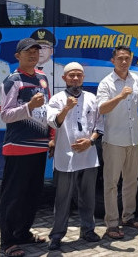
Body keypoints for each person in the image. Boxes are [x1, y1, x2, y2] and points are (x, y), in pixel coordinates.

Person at [0, 38, 51, 257]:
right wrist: (29, 106)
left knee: (32, 195)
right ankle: (7, 242)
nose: (33, 55)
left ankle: (23, 233)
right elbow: (5, 115)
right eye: (28, 52)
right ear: (17, 56)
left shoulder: (42, 78)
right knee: (13, 196)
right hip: (18, 147)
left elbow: (47, 110)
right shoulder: (13, 80)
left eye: (36, 51)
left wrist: (52, 136)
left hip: (39, 147)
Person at [46, 62, 103, 250]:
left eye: (79, 75)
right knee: (63, 198)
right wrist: (66, 109)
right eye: (72, 75)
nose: (76, 78)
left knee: (88, 197)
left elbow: (99, 127)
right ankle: (57, 235)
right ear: (64, 78)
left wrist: (90, 141)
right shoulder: (56, 99)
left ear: (83, 78)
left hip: (88, 155)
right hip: (66, 156)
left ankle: (88, 230)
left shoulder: (92, 98)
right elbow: (54, 122)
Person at [97, 45, 138, 239]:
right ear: (113, 60)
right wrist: (120, 96)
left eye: (127, 58)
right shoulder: (106, 83)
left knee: (132, 181)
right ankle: (112, 224)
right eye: (120, 58)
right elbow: (102, 108)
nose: (124, 62)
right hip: (114, 140)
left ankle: (128, 216)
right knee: (111, 184)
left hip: (134, 139)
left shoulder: (136, 79)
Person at [30, 28, 66, 94]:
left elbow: (64, 96)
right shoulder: (27, 69)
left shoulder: (60, 70)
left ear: (51, 51)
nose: (40, 51)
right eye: (37, 48)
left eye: (44, 48)